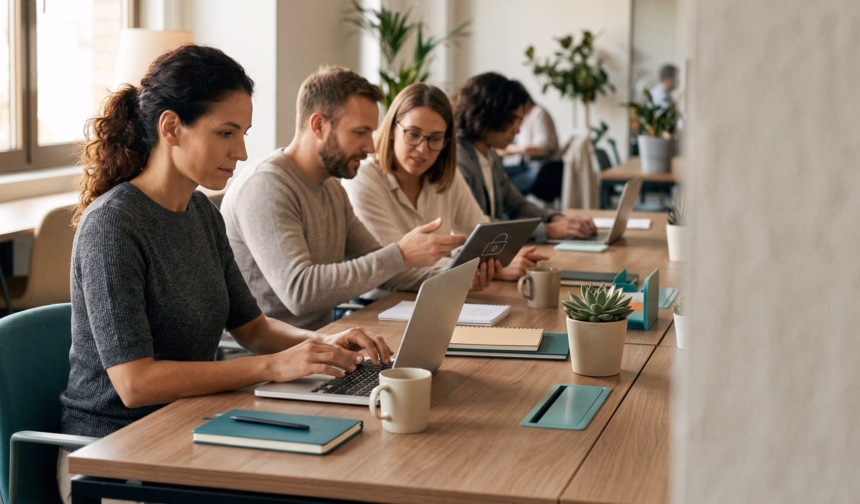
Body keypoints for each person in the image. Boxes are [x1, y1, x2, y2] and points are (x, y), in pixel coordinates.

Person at [59, 46, 392, 503]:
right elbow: (135, 385)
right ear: (172, 127)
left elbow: (252, 328)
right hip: (114, 450)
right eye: (226, 133)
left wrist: (320, 345)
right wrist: (271, 367)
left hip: (191, 423)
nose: (241, 151)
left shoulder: (199, 211)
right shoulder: (114, 225)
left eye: (244, 133)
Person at [220, 67, 465, 330]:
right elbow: (300, 293)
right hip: (268, 360)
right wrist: (401, 254)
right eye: (360, 133)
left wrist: (461, 276)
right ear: (319, 126)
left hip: (322, 343)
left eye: (371, 133)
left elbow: (384, 266)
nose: (371, 147)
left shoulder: (332, 187)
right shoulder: (266, 187)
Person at [343, 82, 548, 290]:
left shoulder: (447, 176)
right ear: (393, 130)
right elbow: (392, 270)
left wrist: (497, 260)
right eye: (413, 134)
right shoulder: (363, 179)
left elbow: (484, 235)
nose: (423, 149)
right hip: (376, 308)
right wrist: (491, 270)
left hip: (440, 297)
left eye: (435, 139)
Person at [453, 72, 597, 242]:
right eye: (512, 120)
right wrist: (548, 230)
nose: (518, 130)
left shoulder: (489, 153)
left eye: (519, 121)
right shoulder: (458, 158)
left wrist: (556, 218)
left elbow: (516, 204)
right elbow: (476, 226)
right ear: (488, 115)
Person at [499, 92, 559, 194]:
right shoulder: (524, 118)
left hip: (542, 170)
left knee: (501, 185)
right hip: (527, 166)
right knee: (498, 173)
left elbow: (543, 148)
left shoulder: (538, 113)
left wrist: (511, 150)